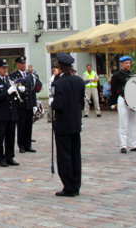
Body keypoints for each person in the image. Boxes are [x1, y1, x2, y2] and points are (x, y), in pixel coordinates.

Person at [51, 52, 85, 197]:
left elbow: (57, 105)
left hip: (63, 124)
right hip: (75, 122)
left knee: (64, 156)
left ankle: (68, 186)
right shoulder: (78, 81)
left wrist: (52, 103)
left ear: (59, 66)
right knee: (75, 155)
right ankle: (76, 185)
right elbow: (80, 101)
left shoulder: (58, 83)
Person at [110, 56, 136, 153]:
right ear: (121, 63)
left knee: (134, 122)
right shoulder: (116, 75)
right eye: (126, 63)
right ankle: (123, 145)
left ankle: (134, 144)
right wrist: (113, 102)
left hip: (132, 100)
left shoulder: (132, 74)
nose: (128, 65)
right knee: (123, 123)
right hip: (122, 99)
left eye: (129, 63)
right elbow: (113, 90)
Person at [0, 59, 20, 167]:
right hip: (0, 114)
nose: (5, 70)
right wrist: (7, 92)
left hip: (10, 113)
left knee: (10, 137)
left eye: (6, 68)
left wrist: (16, 92)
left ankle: (10, 157)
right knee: (0, 138)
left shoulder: (8, 80)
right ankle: (0, 158)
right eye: (3, 68)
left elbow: (12, 97)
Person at [11, 56, 42, 153]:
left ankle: (28, 145)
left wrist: (34, 104)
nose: (23, 65)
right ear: (17, 65)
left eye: (24, 63)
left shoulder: (29, 76)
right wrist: (19, 90)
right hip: (20, 105)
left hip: (28, 104)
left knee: (29, 125)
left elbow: (32, 91)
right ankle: (21, 145)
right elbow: (12, 90)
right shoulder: (13, 76)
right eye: (21, 63)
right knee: (21, 126)